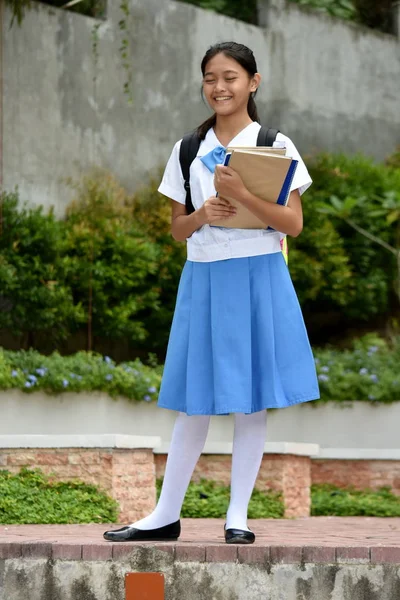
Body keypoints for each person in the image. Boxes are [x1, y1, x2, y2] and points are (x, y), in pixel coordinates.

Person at [104, 41, 319, 545]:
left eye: (230, 77)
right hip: (203, 278)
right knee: (194, 400)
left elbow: (293, 223)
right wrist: (203, 215)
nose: (219, 87)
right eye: (209, 78)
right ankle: (164, 515)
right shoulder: (186, 150)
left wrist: (244, 196)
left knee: (250, 401)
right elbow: (178, 231)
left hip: (258, 274)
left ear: (253, 82)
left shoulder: (274, 143)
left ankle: (237, 517)